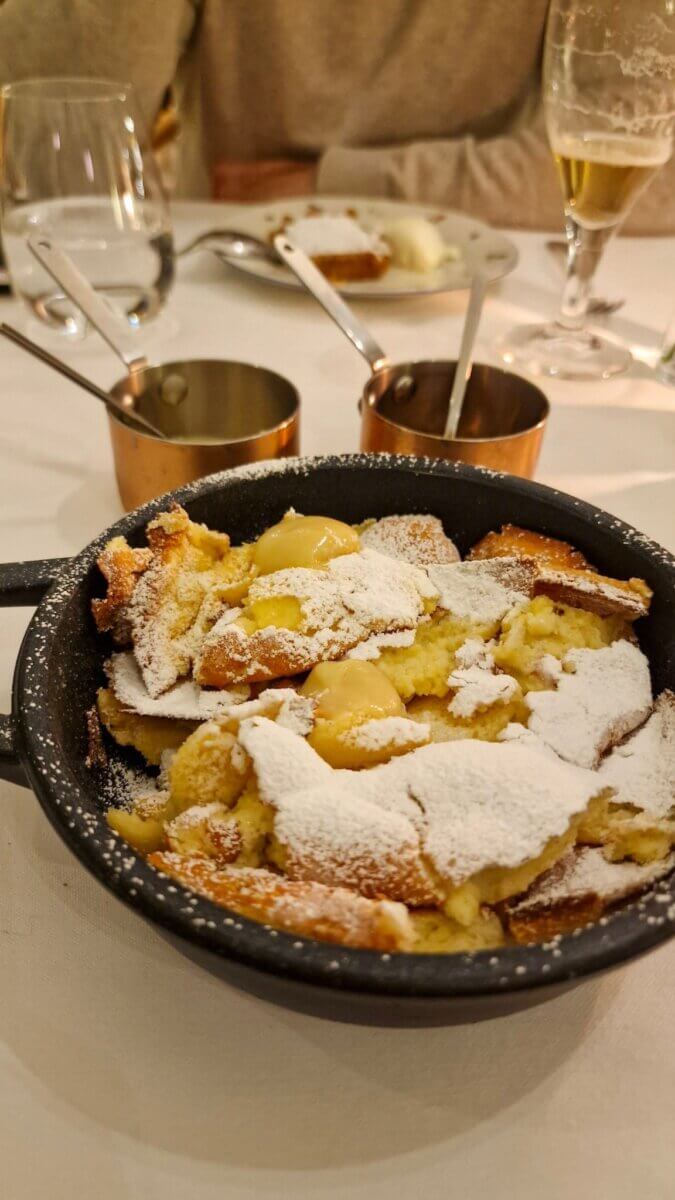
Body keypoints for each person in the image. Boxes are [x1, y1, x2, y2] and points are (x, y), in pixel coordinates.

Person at [0, 0, 672, 231]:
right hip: (223, 269)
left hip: (496, 289)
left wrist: (337, 182)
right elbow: (56, 142)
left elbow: (651, 164)